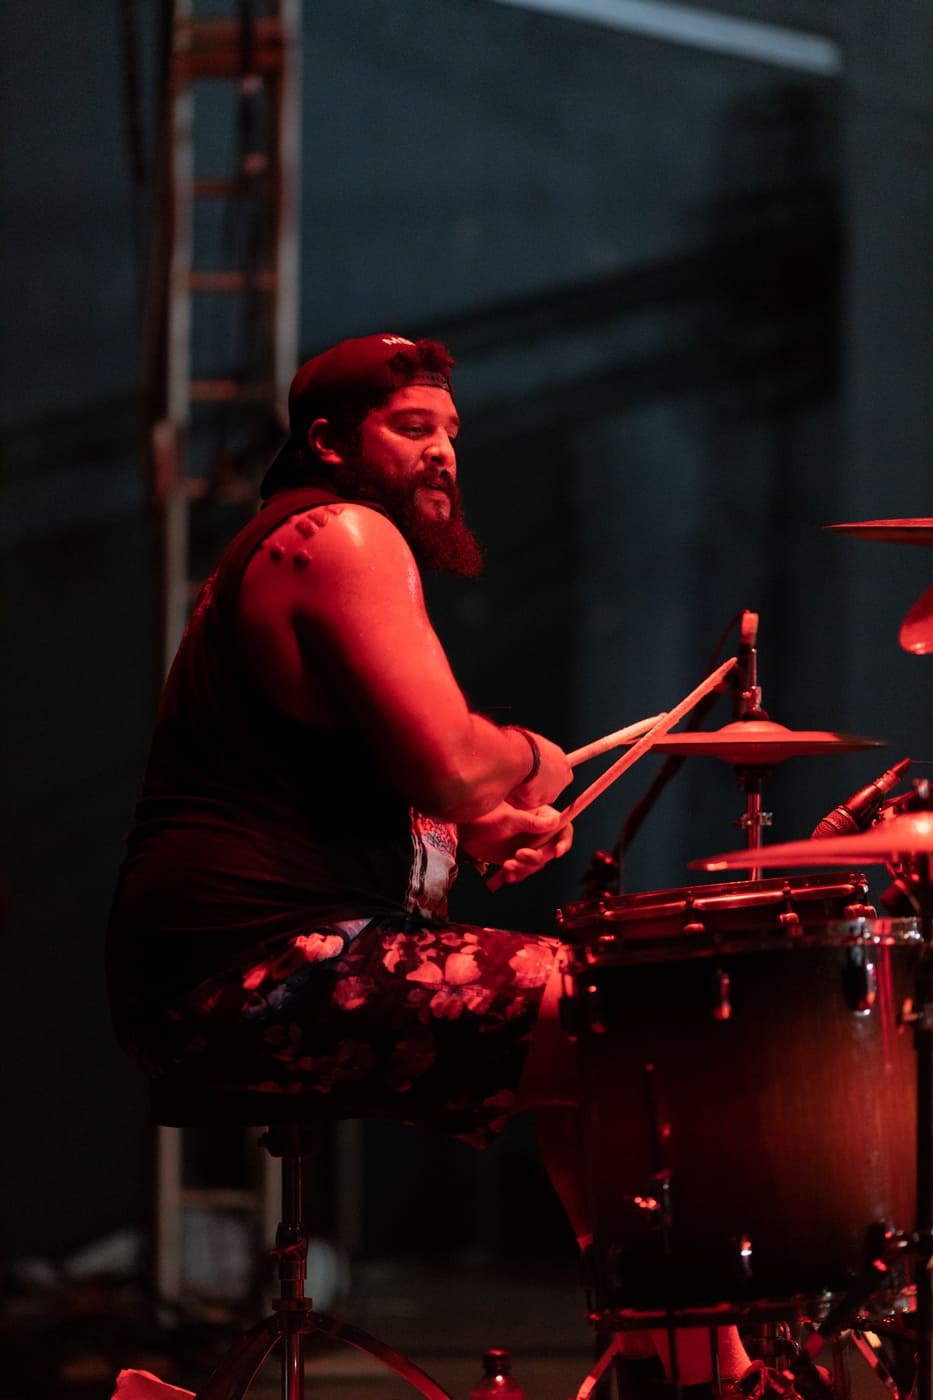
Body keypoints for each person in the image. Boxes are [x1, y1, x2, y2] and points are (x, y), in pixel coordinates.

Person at [106, 333, 762, 1394]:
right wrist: (532, 758)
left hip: (216, 969)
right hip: (248, 968)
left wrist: (474, 828)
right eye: (413, 427)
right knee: (632, 1017)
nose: (445, 451)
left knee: (596, 1043)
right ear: (329, 442)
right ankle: (702, 1375)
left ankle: (660, 1352)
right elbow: (452, 762)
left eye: (452, 431)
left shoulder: (277, 550)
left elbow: (372, 787)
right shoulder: (343, 537)